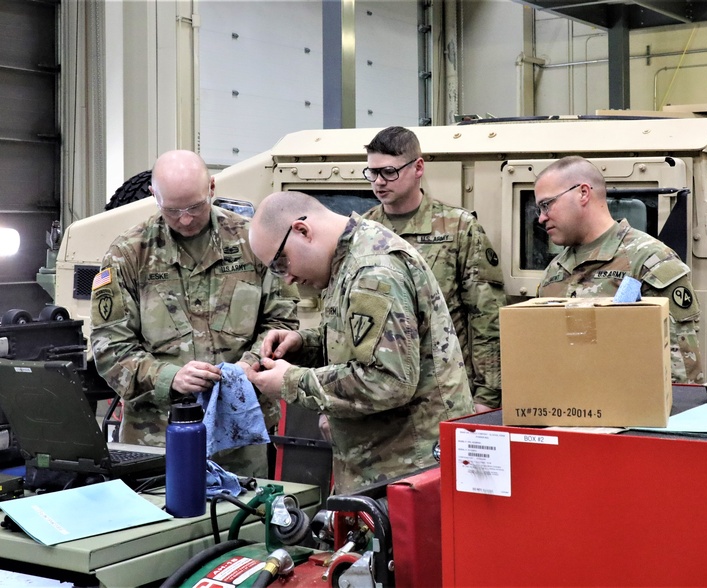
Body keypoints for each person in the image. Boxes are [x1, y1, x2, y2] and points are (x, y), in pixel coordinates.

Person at [244, 191, 473, 494]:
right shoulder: (346, 260)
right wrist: (304, 345)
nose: (286, 279)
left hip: (409, 471)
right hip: (386, 466)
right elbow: (362, 342)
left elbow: (387, 381)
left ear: (302, 231)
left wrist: (290, 382)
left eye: (281, 263)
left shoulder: (373, 270)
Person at [90, 150, 299, 478]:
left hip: (239, 432)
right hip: (156, 436)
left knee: (243, 523)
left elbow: (282, 321)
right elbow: (109, 349)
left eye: (195, 207)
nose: (185, 219)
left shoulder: (254, 241)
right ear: (153, 195)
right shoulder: (128, 254)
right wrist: (169, 377)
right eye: (172, 210)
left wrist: (251, 362)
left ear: (212, 188)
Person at [361, 126, 505, 412]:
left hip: (443, 391)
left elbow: (486, 317)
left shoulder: (458, 228)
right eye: (372, 173)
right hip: (378, 390)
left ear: (418, 168)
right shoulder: (363, 231)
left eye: (389, 172)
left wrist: (486, 396)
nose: (379, 182)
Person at [534, 156, 703, 384]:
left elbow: (681, 372)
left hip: (633, 412)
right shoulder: (554, 271)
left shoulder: (648, 260)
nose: (542, 218)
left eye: (547, 204)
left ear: (583, 193)